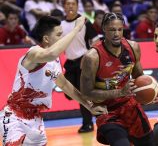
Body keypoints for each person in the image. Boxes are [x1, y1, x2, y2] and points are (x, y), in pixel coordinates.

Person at [0, 15, 107, 146]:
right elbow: (51, 53)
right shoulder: (34, 53)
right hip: (14, 117)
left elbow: (65, 85)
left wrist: (89, 106)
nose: (62, 38)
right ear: (46, 39)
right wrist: (77, 28)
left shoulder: (55, 62)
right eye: (58, 35)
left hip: (35, 119)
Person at [80, 12, 154, 146]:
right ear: (104, 29)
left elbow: (139, 77)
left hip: (130, 106)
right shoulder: (92, 57)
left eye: (120, 29)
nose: (117, 34)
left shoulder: (133, 47)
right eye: (112, 30)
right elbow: (86, 93)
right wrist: (118, 92)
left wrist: (152, 90)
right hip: (107, 111)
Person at [61, 0, 99, 133]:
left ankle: (87, 124)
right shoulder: (60, 25)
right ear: (64, 7)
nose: (70, 6)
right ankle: (95, 110)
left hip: (83, 61)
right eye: (68, 4)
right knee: (69, 93)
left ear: (77, 6)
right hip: (70, 64)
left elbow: (95, 41)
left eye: (73, 4)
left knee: (83, 95)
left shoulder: (84, 21)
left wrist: (89, 58)